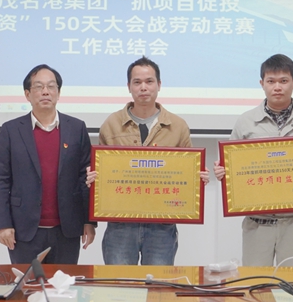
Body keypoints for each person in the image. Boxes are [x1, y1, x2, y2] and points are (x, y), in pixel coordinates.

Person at [214, 54, 293, 266]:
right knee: (255, 281)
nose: (277, 87)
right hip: (257, 222)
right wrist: (223, 172)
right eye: (271, 81)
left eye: (283, 81)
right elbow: (230, 168)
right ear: (262, 83)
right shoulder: (246, 121)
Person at [89, 56, 209, 265]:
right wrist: (94, 178)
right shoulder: (111, 124)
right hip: (120, 224)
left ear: (159, 85)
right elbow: (103, 173)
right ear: (129, 86)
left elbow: (189, 173)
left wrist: (198, 178)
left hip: (161, 226)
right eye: (137, 82)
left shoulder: (178, 126)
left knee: (157, 283)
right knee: (119, 282)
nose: (143, 87)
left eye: (149, 81)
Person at [0, 64, 95, 264]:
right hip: (24, 231)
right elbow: (1, 180)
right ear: (27, 94)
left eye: (51, 86)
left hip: (67, 230)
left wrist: (89, 222)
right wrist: (3, 224)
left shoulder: (77, 128)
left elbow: (86, 178)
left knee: (64, 283)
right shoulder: (11, 130)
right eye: (39, 87)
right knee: (26, 283)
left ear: (59, 93)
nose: (45, 92)